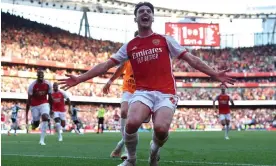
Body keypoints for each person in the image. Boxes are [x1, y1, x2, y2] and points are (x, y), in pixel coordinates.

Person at [58, 2, 235, 165]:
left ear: (152, 17)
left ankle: (153, 151)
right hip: (142, 92)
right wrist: (79, 79)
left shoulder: (165, 39)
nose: (145, 13)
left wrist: (214, 73)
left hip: (166, 93)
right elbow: (106, 65)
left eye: (148, 11)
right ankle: (131, 160)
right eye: (141, 11)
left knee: (161, 129)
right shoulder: (130, 45)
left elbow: (191, 59)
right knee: (132, 122)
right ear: (135, 18)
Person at [104, 31, 138, 160]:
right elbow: (120, 69)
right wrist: (110, 81)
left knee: (134, 122)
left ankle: (121, 146)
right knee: (124, 111)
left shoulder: (147, 55)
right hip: (128, 89)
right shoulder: (129, 54)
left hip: (141, 91)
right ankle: (124, 148)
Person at [26, 69, 52, 145]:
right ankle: (33, 123)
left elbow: (50, 98)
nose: (41, 77)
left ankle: (42, 140)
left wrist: (51, 109)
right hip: (34, 106)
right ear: (37, 76)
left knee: (45, 117)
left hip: (44, 103)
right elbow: (28, 100)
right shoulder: (32, 86)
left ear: (43, 76)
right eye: (39, 75)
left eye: (42, 75)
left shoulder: (48, 84)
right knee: (36, 124)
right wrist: (26, 115)